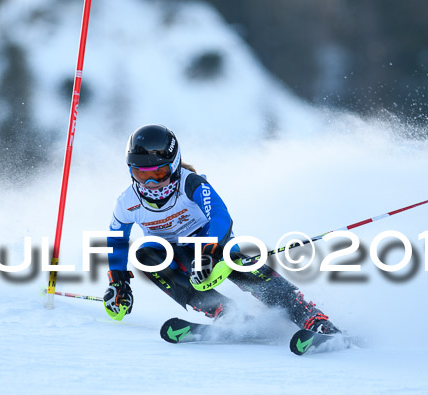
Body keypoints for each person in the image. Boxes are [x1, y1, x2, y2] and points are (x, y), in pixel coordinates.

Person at [103, 124, 339, 334]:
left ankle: (307, 314)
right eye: (140, 174)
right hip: (173, 254)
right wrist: (119, 281)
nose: (151, 184)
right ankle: (224, 312)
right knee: (144, 255)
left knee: (231, 260)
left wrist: (207, 250)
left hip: (209, 243)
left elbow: (219, 214)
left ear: (174, 165)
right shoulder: (127, 201)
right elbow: (117, 241)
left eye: (159, 173)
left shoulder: (190, 183)